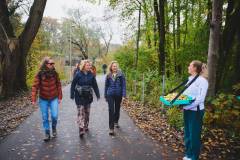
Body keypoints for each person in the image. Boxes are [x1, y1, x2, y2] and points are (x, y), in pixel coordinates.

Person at [182, 60, 208, 160]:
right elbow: (186, 95)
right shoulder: (189, 79)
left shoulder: (203, 81)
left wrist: (188, 106)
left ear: (195, 68)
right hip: (187, 110)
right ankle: (188, 154)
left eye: (190, 65)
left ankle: (194, 157)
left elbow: (201, 98)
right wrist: (179, 102)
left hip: (196, 111)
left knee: (194, 135)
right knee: (187, 133)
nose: (188, 67)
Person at [32, 57, 62, 142]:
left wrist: (60, 97)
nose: (52, 65)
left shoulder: (55, 73)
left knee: (54, 116)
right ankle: (47, 133)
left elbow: (58, 85)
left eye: (53, 64)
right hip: (43, 98)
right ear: (46, 64)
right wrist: (33, 99)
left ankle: (54, 128)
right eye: (50, 64)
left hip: (54, 97)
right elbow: (35, 87)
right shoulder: (40, 74)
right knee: (45, 117)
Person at [70, 60, 100, 138]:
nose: (89, 67)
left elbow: (95, 85)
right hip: (79, 96)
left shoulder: (91, 75)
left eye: (90, 65)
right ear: (83, 66)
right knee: (80, 113)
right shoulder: (78, 74)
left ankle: (86, 126)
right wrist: (72, 94)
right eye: (87, 65)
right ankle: (81, 129)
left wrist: (98, 95)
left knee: (87, 113)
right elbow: (73, 84)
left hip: (88, 96)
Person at [104, 61, 126, 136]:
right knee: (111, 110)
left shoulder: (121, 75)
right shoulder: (108, 75)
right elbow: (106, 86)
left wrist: (123, 95)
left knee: (117, 109)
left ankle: (116, 121)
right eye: (113, 66)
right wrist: (105, 95)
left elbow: (123, 86)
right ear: (111, 67)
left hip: (118, 95)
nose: (115, 67)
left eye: (116, 66)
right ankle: (111, 128)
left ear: (117, 67)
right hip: (110, 94)